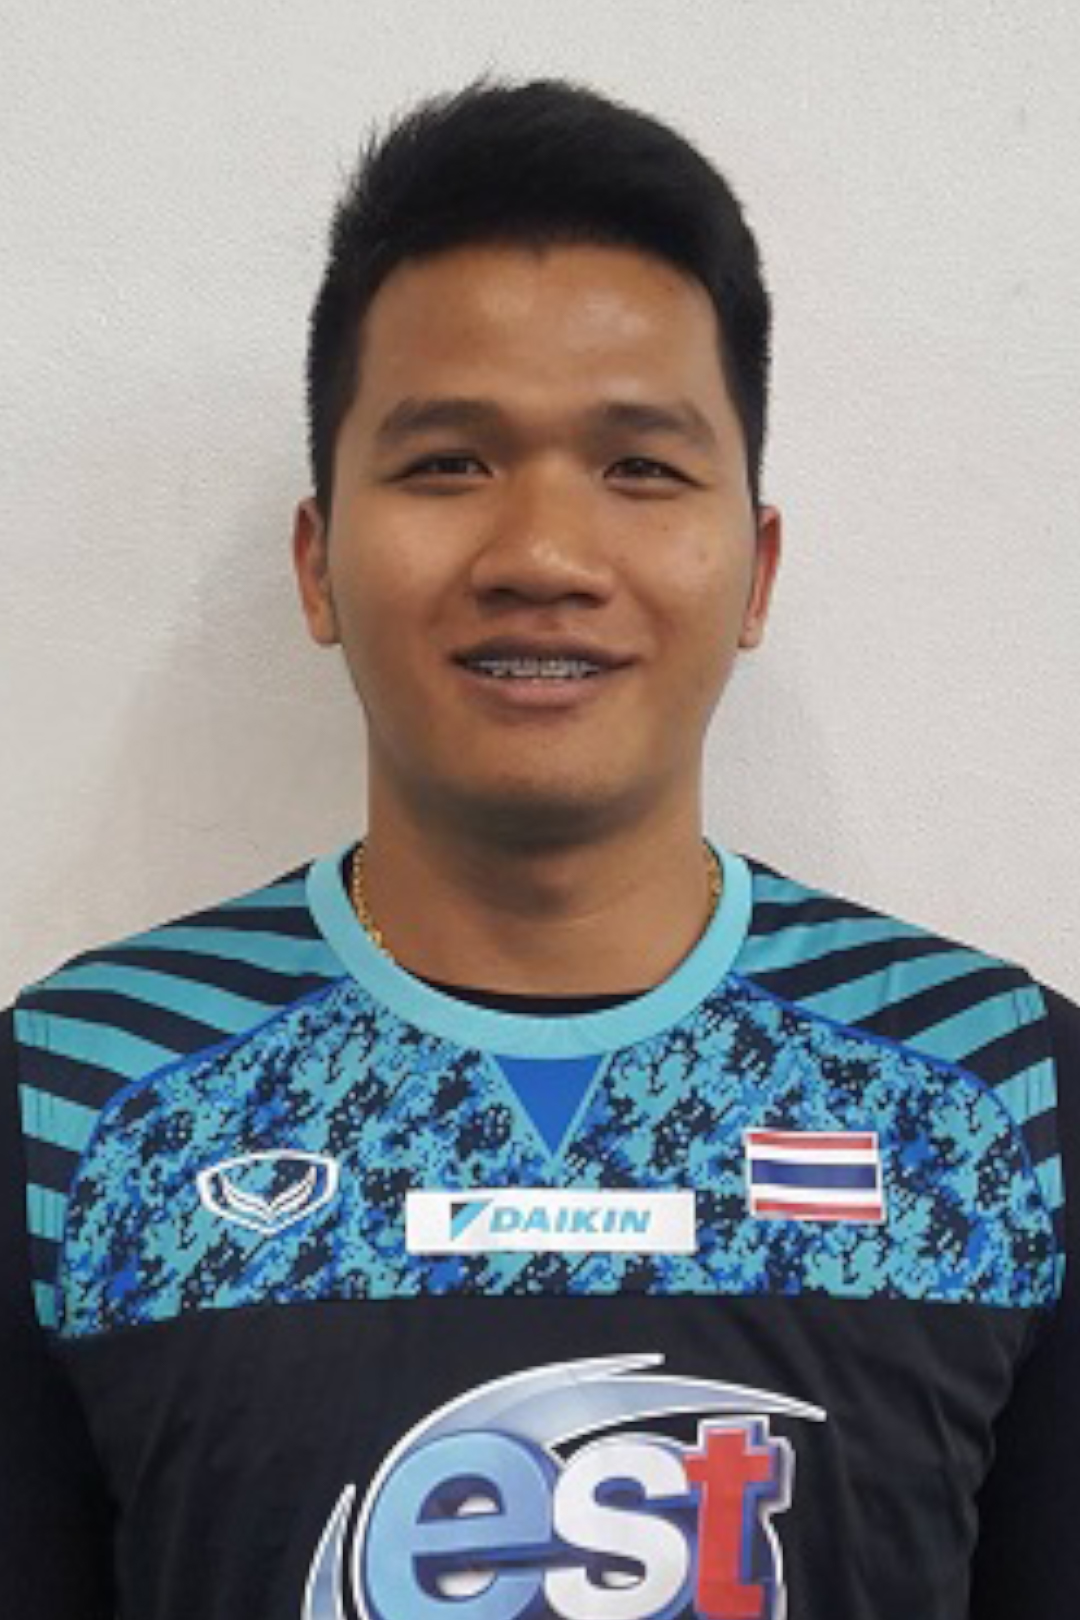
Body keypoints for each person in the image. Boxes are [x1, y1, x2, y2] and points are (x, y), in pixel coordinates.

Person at [1, 77, 1076, 1620]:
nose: (545, 556)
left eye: (641, 466)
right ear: (318, 562)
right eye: (449, 462)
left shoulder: (997, 1101)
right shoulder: (82, 1105)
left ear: (756, 568)